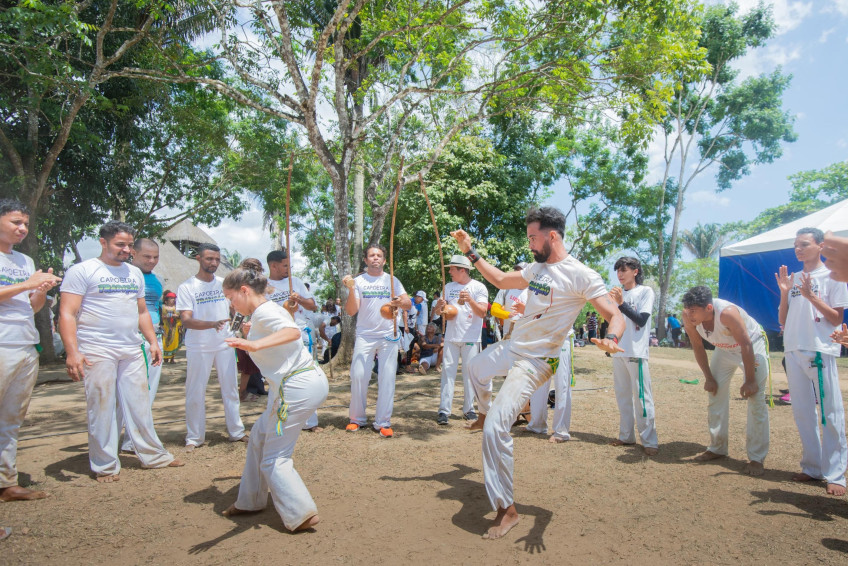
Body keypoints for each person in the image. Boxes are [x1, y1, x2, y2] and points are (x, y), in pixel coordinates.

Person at [453, 206, 624, 539]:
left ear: (552, 236)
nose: (529, 243)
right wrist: (470, 252)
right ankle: (486, 414)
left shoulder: (581, 275)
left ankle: (507, 511)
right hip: (514, 346)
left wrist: (612, 338)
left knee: (496, 431)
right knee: (475, 367)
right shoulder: (538, 268)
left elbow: (613, 315)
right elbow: (501, 279)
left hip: (539, 360)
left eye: (533, 237)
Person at [59, 220, 183, 481]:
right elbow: (67, 313)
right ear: (103, 242)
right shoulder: (83, 271)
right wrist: (73, 352)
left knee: (140, 403)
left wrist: (151, 341)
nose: (126, 250)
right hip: (97, 349)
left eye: (129, 245)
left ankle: (153, 455)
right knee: (101, 406)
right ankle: (104, 464)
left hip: (132, 348)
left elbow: (141, 311)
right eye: (120, 244)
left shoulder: (134, 274)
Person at [220, 268, 328, 532]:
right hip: (293, 384)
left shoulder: (266, 312)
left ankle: (301, 513)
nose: (230, 305)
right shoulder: (261, 313)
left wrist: (254, 344)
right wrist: (253, 335)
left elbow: (292, 332)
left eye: (231, 298)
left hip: (296, 387)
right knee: (258, 437)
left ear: (244, 291)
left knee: (275, 458)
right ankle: (249, 501)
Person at [776, 227, 848, 496]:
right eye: (796, 245)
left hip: (819, 350)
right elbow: (782, 320)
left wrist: (812, 297)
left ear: (820, 246)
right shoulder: (793, 278)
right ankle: (812, 467)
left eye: (804, 244)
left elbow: (836, 319)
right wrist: (785, 293)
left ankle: (836, 474)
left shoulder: (833, 275)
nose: (798, 249)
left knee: (830, 413)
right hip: (793, 349)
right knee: (803, 413)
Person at [0, 199, 61, 501]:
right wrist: (27, 283)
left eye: (25, 223)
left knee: (12, 417)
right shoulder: (22, 271)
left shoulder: (23, 261)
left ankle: (7, 482)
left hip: (24, 344)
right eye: (15, 222)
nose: (22, 228)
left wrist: (40, 292)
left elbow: (30, 307)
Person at [681, 285, 769, 476]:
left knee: (756, 399)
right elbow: (697, 345)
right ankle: (717, 447)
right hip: (724, 349)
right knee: (715, 393)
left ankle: (756, 458)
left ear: (709, 308)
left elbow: (746, 343)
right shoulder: (688, 316)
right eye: (688, 309)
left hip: (751, 346)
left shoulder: (727, 314)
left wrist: (750, 380)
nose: (690, 314)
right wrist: (708, 378)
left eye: (694, 310)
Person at [177, 243, 246, 451]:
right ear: (198, 259)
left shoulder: (224, 284)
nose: (213, 263)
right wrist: (211, 324)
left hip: (224, 344)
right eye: (209, 259)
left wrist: (238, 323)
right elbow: (186, 320)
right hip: (198, 346)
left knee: (230, 389)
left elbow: (236, 309)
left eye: (216, 259)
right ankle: (194, 437)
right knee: (195, 391)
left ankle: (236, 432)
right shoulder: (187, 287)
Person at [342, 244, 411, 437]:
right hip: (365, 335)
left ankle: (383, 422)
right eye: (371, 255)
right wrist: (350, 289)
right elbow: (351, 311)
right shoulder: (358, 281)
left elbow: (408, 303)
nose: (375, 258)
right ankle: (356, 419)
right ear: (365, 260)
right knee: (358, 375)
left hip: (388, 335)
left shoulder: (392, 280)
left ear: (384, 260)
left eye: (379, 255)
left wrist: (399, 302)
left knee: (387, 377)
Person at [117, 238, 164, 453]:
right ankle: (117, 438)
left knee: (148, 391)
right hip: (131, 339)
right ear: (133, 253)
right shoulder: (123, 275)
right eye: (147, 256)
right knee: (123, 393)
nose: (152, 261)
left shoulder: (155, 279)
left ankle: (132, 439)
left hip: (154, 338)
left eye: (155, 257)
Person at [608, 257, 658, 456]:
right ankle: (626, 435)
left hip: (636, 352)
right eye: (617, 271)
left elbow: (641, 320)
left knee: (642, 398)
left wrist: (621, 303)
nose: (619, 274)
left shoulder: (645, 291)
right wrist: (609, 341)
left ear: (635, 271)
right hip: (619, 351)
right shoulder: (615, 293)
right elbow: (610, 320)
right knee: (622, 397)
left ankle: (649, 440)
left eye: (623, 270)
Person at [432, 256, 488, 425]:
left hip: (471, 337)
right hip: (451, 337)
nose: (449, 272)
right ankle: (444, 410)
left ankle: (469, 409)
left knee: (469, 375)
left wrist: (470, 299)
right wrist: (439, 306)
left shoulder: (479, 287)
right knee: (447, 373)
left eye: (452, 269)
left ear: (462, 270)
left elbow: (483, 313)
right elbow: (437, 313)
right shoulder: (448, 287)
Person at [525, 329, 575, 443]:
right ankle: (537, 425)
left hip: (561, 337)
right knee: (538, 383)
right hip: (541, 338)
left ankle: (561, 431)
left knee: (561, 385)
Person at [161, 291, 180, 363]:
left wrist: (177, 316)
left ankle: (172, 358)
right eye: (171, 298)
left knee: (174, 341)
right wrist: (166, 317)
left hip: (174, 327)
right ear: (167, 299)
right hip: (166, 327)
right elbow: (161, 316)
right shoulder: (163, 307)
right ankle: (165, 357)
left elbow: (179, 316)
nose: (173, 300)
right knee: (165, 341)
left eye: (174, 298)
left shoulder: (176, 308)